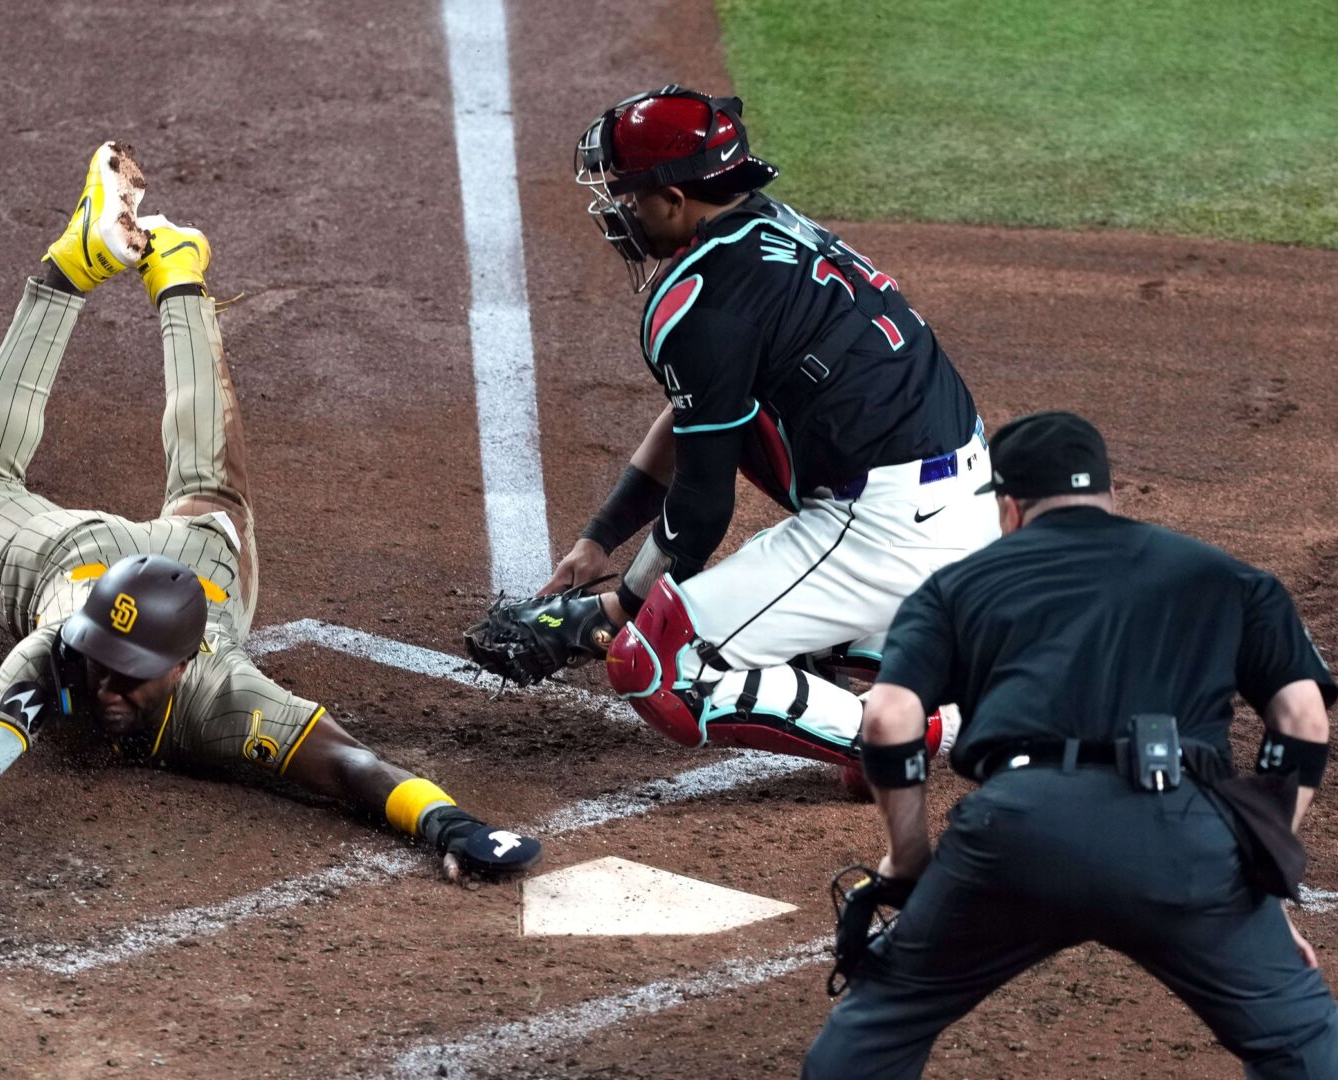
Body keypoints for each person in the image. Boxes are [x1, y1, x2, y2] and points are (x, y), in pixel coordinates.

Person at [0, 143, 540, 884]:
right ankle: (79, 269)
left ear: (181, 669)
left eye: (129, 676)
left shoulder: (221, 695)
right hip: (72, 558)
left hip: (199, 556)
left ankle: (175, 269)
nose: (108, 689)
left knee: (208, 501)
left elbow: (349, 764)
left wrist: (449, 822)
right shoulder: (61, 646)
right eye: (103, 666)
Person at [466, 87, 993, 777]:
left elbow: (703, 506)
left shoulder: (701, 301)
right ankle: (875, 656)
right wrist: (601, 539)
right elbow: (699, 415)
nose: (620, 209)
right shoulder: (765, 226)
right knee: (766, 634)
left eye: (628, 193)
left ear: (675, 198)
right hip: (955, 503)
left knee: (657, 661)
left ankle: (906, 736)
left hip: (884, 530)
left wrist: (620, 608)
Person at [804, 411, 1338, 1078]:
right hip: (1180, 841)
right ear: (1108, 496)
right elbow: (1303, 720)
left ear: (1009, 508)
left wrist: (910, 861)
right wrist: (1253, 878)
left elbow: (886, 719)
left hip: (1019, 832)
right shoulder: (1226, 575)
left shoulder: (954, 587)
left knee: (877, 1023)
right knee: (1301, 1045)